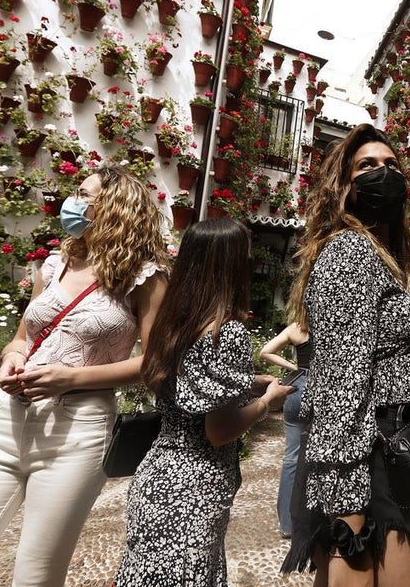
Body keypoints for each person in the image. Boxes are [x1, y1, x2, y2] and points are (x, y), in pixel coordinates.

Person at [0, 165, 169, 587]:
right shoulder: (53, 265)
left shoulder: (144, 277)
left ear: (114, 207)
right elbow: (21, 339)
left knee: (37, 577)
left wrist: (70, 379)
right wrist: (10, 360)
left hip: (77, 434)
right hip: (3, 426)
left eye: (83, 194)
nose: (72, 202)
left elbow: (154, 363)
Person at [281, 124, 410, 587]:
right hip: (367, 456)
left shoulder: (378, 254)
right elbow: (340, 381)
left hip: (382, 449)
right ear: (344, 188)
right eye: (367, 166)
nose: (383, 174)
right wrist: (347, 499)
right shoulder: (350, 251)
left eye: (391, 165)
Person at [115, 218, 292, 586]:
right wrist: (267, 402)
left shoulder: (172, 325)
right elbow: (219, 431)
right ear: (232, 264)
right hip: (196, 486)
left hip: (157, 477)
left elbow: (190, 387)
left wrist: (245, 384)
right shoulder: (226, 332)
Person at [258, 321, 312, 538]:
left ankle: (287, 525)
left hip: (297, 389)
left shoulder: (297, 327)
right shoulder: (331, 322)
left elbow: (265, 352)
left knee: (291, 459)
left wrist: (295, 368)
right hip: (321, 390)